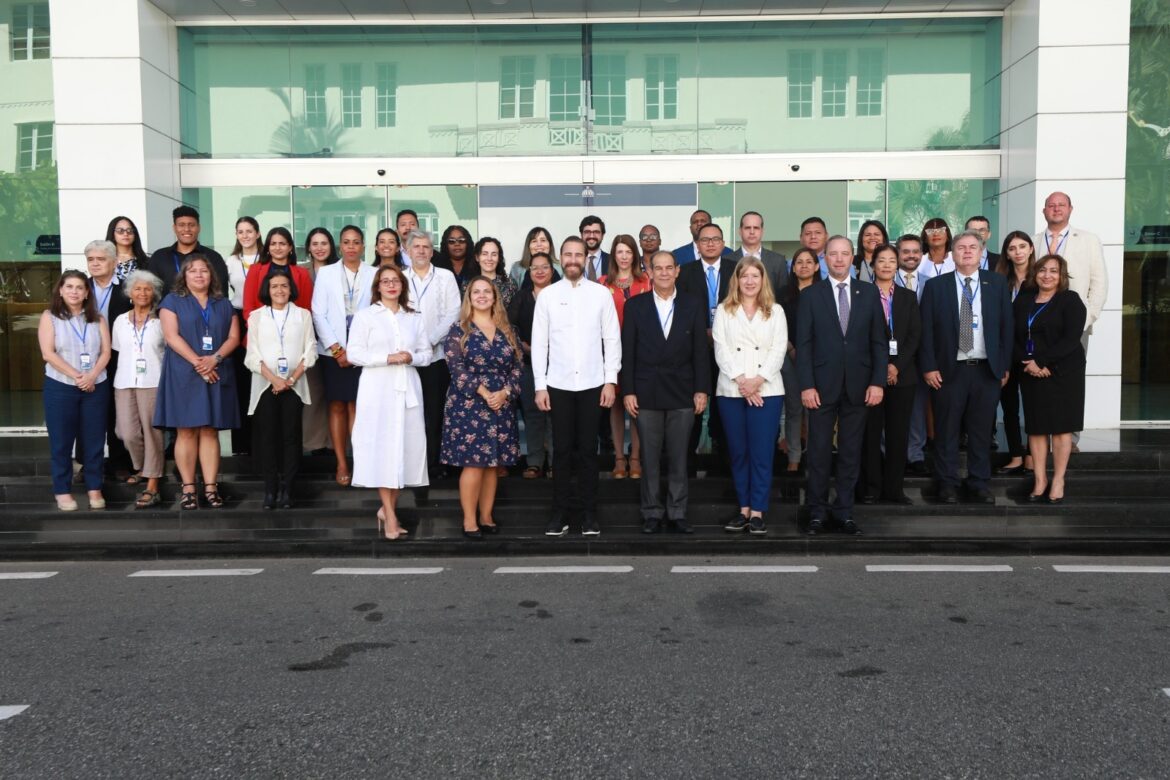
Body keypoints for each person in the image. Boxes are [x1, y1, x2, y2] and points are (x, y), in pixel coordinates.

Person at [532, 236, 621, 537]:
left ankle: (589, 514)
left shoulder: (601, 294)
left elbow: (612, 339)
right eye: (568, 254)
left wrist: (610, 381)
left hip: (593, 383)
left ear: (586, 258)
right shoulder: (547, 296)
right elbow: (540, 344)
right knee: (561, 452)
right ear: (560, 258)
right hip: (557, 384)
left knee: (587, 452)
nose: (572, 260)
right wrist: (540, 386)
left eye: (578, 254)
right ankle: (560, 514)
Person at [798, 235, 887, 535]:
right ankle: (817, 512)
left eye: (844, 254)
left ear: (853, 257)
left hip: (860, 386)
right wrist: (806, 385)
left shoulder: (869, 292)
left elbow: (879, 342)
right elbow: (804, 345)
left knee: (851, 452)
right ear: (824, 258)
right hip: (820, 387)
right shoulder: (811, 295)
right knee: (819, 452)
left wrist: (877, 382)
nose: (838, 259)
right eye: (833, 254)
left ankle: (844, 512)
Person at [919, 229, 1014, 504]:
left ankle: (979, 483)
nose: (968, 252)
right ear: (953, 254)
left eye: (973, 247)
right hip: (949, 370)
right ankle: (947, 483)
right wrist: (928, 366)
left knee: (981, 431)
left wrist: (1003, 366)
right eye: (961, 247)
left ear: (982, 252)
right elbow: (926, 330)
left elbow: (1006, 328)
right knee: (946, 430)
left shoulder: (997, 283)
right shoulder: (936, 286)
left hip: (986, 370)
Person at [621, 250, 709, 534]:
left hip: (683, 390)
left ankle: (677, 512)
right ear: (649, 271)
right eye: (658, 268)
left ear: (677, 271)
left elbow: (700, 351)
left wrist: (701, 389)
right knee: (649, 457)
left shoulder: (693, 304)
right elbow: (628, 352)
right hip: (646, 391)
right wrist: (628, 390)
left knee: (679, 456)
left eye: (669, 268)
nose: (663, 273)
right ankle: (651, 512)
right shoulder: (635, 306)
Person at [346, 265, 431, 540]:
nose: (391, 285)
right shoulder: (365, 316)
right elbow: (353, 354)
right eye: (386, 281)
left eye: (396, 281)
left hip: (407, 389)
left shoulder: (414, 317)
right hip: (377, 390)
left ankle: (387, 510)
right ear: (378, 286)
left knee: (403, 450)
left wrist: (411, 357)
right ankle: (391, 517)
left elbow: (427, 354)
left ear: (402, 285)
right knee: (383, 451)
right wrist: (387, 358)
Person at [153, 255, 241, 510]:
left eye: (204, 271)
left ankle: (211, 487)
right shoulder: (172, 301)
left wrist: (214, 359)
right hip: (184, 372)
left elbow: (234, 337)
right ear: (184, 276)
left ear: (212, 275)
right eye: (193, 271)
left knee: (210, 430)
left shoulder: (223, 303)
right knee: (186, 430)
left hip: (217, 369)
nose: (199, 275)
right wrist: (198, 363)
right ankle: (189, 488)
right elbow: (171, 336)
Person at [441, 276, 523, 538]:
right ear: (469, 298)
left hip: (501, 402)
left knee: (492, 463)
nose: (482, 296)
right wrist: (486, 393)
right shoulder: (458, 329)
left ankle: (486, 517)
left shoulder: (508, 330)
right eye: (476, 292)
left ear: (495, 297)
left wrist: (505, 392)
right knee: (474, 463)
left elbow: (518, 367)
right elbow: (456, 368)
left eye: (487, 291)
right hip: (469, 404)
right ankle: (469, 521)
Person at [714, 257, 787, 535]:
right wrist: (742, 382)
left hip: (767, 390)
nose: (749, 281)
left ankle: (757, 511)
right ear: (736, 280)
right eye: (744, 276)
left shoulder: (775, 311)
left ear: (763, 280)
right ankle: (743, 509)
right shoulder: (724, 310)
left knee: (761, 453)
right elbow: (721, 349)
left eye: (755, 276)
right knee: (739, 453)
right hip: (732, 390)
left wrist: (757, 381)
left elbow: (779, 349)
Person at [1033, 192, 1107, 444]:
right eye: (1051, 205)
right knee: (1039, 378)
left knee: (1069, 381)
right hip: (1040, 325)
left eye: (1061, 205)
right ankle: (1041, 434)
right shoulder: (1034, 241)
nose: (1056, 209)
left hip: (1075, 324)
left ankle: (1070, 438)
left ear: (1070, 209)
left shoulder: (1088, 240)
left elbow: (1099, 283)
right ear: (1044, 211)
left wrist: (1085, 320)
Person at [1014, 254, 1087, 504]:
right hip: (1031, 371)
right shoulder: (1023, 301)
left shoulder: (1070, 300)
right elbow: (1013, 335)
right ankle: (1040, 479)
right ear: (1035, 274)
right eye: (1042, 270)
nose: (1047, 275)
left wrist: (1043, 362)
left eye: (1054, 271)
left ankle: (1058, 480)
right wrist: (1029, 363)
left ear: (1062, 276)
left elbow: (1071, 339)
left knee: (1061, 428)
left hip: (1064, 373)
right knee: (1036, 428)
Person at [245, 267, 317, 510]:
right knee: (267, 438)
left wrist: (291, 379)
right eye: (274, 286)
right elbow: (251, 355)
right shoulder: (257, 316)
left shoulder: (303, 315)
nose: (279, 290)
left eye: (284, 286)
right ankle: (270, 489)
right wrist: (274, 379)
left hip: (294, 386)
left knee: (291, 438)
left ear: (291, 289)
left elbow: (310, 350)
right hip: (265, 385)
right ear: (267, 289)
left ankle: (288, 489)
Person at [39, 270, 111, 511]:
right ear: (60, 290)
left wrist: (91, 376)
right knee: (61, 441)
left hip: (96, 385)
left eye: (80, 287)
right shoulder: (50, 317)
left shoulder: (97, 318)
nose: (74, 291)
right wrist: (78, 376)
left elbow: (106, 352)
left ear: (87, 292)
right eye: (69, 286)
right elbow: (48, 353)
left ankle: (94, 488)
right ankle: (62, 491)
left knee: (94, 440)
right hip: (61, 386)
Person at [311, 225, 375, 485]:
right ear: (340, 246)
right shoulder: (326, 273)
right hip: (333, 352)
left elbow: (378, 312)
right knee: (337, 405)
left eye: (356, 242)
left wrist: (357, 350)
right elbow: (318, 313)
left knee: (359, 406)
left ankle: (361, 461)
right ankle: (341, 462)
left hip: (363, 351)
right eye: (346, 242)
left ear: (363, 246)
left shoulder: (374, 273)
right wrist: (337, 349)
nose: (351, 247)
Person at [858, 244, 922, 505]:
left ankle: (894, 490)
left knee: (898, 435)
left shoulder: (908, 297)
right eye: (881, 260)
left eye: (891, 261)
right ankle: (870, 488)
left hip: (903, 375)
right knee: (870, 434)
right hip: (870, 376)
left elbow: (914, 336)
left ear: (897, 265)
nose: (886, 265)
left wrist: (896, 366)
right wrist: (882, 367)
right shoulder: (862, 294)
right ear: (873, 265)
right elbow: (859, 337)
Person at [402, 229, 461, 480]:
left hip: (437, 357)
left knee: (435, 412)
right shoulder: (400, 278)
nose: (421, 251)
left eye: (426, 246)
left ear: (432, 250)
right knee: (410, 413)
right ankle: (412, 465)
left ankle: (435, 464)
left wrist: (429, 340)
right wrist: (413, 345)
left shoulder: (445, 277)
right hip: (407, 358)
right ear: (407, 250)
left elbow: (454, 313)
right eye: (416, 247)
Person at [676, 222, 736, 464]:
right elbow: (679, 311)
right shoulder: (684, 272)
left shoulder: (736, 270)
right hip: (694, 348)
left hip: (730, 349)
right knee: (694, 407)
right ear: (697, 245)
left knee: (725, 408)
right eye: (705, 240)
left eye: (715, 239)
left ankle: (724, 464)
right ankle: (688, 465)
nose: (710, 244)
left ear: (723, 243)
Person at [110, 270, 166, 509]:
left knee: (152, 432)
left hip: (153, 380)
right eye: (138, 288)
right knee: (126, 432)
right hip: (124, 381)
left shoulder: (161, 321)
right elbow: (117, 349)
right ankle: (142, 466)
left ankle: (152, 481)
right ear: (129, 293)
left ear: (154, 293)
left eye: (147, 289)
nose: (142, 293)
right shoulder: (120, 321)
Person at [599, 234, 651, 479]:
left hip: (640, 352)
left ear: (634, 255)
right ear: (613, 255)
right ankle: (619, 458)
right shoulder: (602, 283)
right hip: (611, 352)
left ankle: (636, 458)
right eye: (619, 252)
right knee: (617, 405)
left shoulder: (646, 282)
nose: (624, 256)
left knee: (637, 406)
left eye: (628, 252)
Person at [85, 240, 133, 479]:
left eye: (100, 259)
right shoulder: (79, 287)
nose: (95, 264)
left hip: (118, 356)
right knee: (87, 412)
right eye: (91, 259)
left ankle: (119, 462)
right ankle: (87, 464)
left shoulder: (127, 289)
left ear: (114, 262)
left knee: (117, 409)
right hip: (86, 358)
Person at [508, 251, 555, 478]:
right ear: (529, 272)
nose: (540, 271)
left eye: (544, 267)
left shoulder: (560, 294)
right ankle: (535, 461)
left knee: (556, 416)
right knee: (533, 413)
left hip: (558, 366)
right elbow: (509, 327)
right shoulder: (522, 297)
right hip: (528, 364)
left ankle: (556, 462)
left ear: (552, 271)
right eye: (535, 267)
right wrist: (524, 347)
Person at [995, 231, 1038, 475]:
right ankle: (1015, 455)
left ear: (1031, 248)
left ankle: (1032, 455)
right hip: (1006, 351)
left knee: (1033, 407)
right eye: (1012, 248)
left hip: (1032, 352)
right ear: (1007, 254)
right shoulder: (999, 280)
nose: (1018, 252)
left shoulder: (1040, 278)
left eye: (1022, 246)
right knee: (1009, 406)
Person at [777, 246, 819, 472]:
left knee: (815, 408)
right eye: (799, 262)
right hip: (788, 355)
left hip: (817, 359)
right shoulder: (782, 294)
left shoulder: (823, 291)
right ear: (792, 268)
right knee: (794, 408)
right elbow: (776, 326)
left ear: (817, 266)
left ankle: (814, 456)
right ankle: (794, 458)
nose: (804, 266)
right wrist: (791, 348)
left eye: (808, 262)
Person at [894, 234, 932, 476]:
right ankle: (889, 452)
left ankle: (915, 454)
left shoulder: (932, 284)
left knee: (917, 406)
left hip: (921, 355)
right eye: (905, 251)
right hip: (894, 357)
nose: (911, 256)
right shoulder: (885, 281)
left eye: (915, 251)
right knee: (891, 408)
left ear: (922, 254)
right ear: (898, 254)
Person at [226, 216, 261, 457]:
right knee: (240, 380)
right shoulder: (230, 261)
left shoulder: (266, 260)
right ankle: (241, 444)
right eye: (241, 231)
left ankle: (261, 439)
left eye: (249, 231)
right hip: (238, 316)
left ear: (258, 234)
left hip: (262, 317)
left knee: (260, 376)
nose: (245, 235)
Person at [300, 227, 336, 454]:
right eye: (315, 244)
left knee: (335, 395)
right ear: (309, 248)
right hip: (307, 339)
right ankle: (314, 443)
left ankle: (336, 443)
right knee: (313, 393)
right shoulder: (301, 271)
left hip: (336, 342)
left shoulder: (340, 270)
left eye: (324, 243)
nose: (320, 248)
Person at [146, 205, 230, 293]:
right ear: (174, 228)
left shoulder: (213, 258)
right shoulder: (159, 257)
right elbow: (151, 292)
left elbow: (221, 293)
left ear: (199, 228)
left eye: (191, 225)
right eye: (181, 225)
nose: (186, 229)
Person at [242, 227, 314, 324]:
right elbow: (248, 307)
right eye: (273, 244)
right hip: (261, 327)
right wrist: (259, 327)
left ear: (290, 247)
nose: (277, 248)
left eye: (282, 244)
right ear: (268, 247)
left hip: (294, 327)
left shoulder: (302, 273)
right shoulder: (255, 270)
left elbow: (306, 308)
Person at [728, 211, 788, 302]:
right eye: (747, 228)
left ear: (762, 231)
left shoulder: (778, 261)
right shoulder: (726, 260)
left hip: (770, 310)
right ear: (740, 231)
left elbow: (784, 297)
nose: (752, 232)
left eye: (756, 228)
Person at [474, 236, 517, 311]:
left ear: (499, 258)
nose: (489, 258)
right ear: (477, 257)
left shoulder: (510, 284)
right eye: (484, 254)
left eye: (494, 254)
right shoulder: (468, 284)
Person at [105, 216, 149, 283]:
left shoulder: (147, 261)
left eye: (129, 230)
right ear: (112, 234)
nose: (125, 234)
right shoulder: (104, 261)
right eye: (120, 231)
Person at [435, 224, 478, 293]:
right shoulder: (437, 266)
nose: (457, 244)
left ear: (468, 243)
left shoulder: (477, 265)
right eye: (451, 241)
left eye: (461, 240)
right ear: (446, 244)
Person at [580, 215, 609, 282]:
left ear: (602, 236)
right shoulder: (574, 260)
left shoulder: (612, 261)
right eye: (587, 232)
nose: (591, 236)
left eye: (596, 232)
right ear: (581, 235)